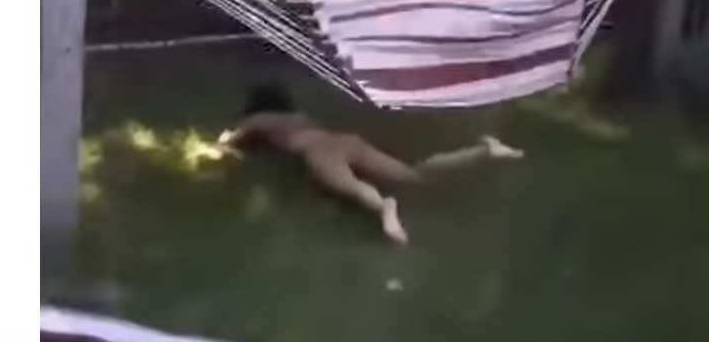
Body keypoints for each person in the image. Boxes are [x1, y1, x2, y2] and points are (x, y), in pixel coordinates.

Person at [216, 83, 524, 245]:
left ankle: (383, 207)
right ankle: (485, 150)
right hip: (345, 140)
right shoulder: (298, 116)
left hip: (320, 151)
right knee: (414, 175)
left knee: (353, 187)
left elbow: (228, 142)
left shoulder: (260, 119)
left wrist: (221, 142)